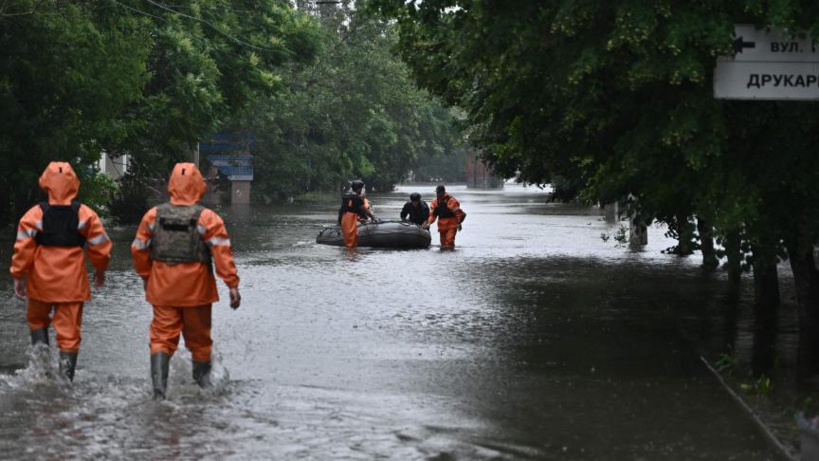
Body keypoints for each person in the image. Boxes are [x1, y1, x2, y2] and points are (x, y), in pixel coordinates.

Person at [131, 163, 241, 400]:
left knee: (161, 338)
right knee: (200, 341)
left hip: (162, 288)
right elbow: (222, 253)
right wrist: (232, 285)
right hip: (197, 291)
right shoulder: (208, 218)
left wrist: (146, 276)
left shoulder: (153, 216)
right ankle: (203, 388)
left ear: (172, 185)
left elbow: (138, 250)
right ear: (198, 186)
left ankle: (159, 392)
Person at [10, 161, 112, 382]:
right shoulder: (86, 215)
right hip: (72, 284)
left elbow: (22, 249)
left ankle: (41, 373)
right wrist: (100, 270)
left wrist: (18, 275)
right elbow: (102, 249)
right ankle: (65, 384)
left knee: (37, 320)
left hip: (40, 283)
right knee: (69, 335)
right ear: (74, 183)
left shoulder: (33, 215)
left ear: (45, 183)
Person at [423, 185, 467, 249]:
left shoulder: (451, 201)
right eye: (437, 192)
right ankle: (443, 257)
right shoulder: (435, 203)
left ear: (443, 192)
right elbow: (432, 215)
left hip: (451, 224)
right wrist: (429, 223)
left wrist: (459, 223)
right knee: (443, 243)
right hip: (442, 225)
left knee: (449, 241)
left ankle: (450, 256)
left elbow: (459, 213)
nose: (437, 194)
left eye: (439, 192)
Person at [338, 179, 376, 248]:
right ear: (359, 189)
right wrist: (373, 217)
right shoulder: (356, 197)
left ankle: (348, 254)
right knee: (352, 239)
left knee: (347, 239)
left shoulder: (346, 196)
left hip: (344, 218)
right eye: (361, 188)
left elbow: (346, 209)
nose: (361, 190)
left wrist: (359, 220)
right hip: (350, 219)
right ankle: (352, 255)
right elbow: (364, 209)